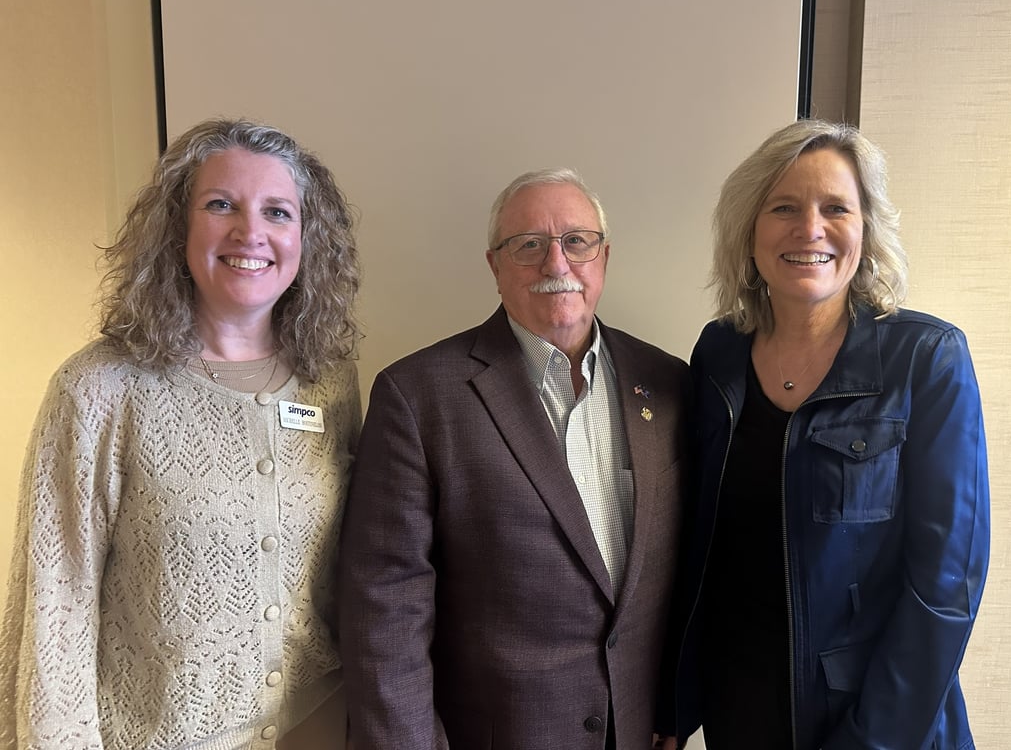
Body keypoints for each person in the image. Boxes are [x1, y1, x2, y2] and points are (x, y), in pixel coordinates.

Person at [0, 118, 363, 749]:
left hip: (320, 726)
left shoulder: (330, 381)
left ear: (308, 238)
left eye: (278, 211)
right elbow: (56, 606)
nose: (250, 233)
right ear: (178, 227)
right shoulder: (99, 389)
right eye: (220, 204)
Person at [663, 120, 989, 749]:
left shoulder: (927, 358)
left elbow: (948, 588)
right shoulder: (718, 354)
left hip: (879, 721)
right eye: (783, 207)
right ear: (749, 233)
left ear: (865, 230)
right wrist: (676, 704)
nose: (809, 229)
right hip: (741, 710)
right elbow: (703, 550)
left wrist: (872, 740)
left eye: (834, 208)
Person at [338, 168, 689, 750]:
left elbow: (681, 574)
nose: (556, 265)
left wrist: (677, 709)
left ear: (603, 257)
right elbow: (384, 611)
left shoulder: (668, 382)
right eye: (528, 245)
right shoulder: (419, 395)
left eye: (576, 241)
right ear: (494, 265)